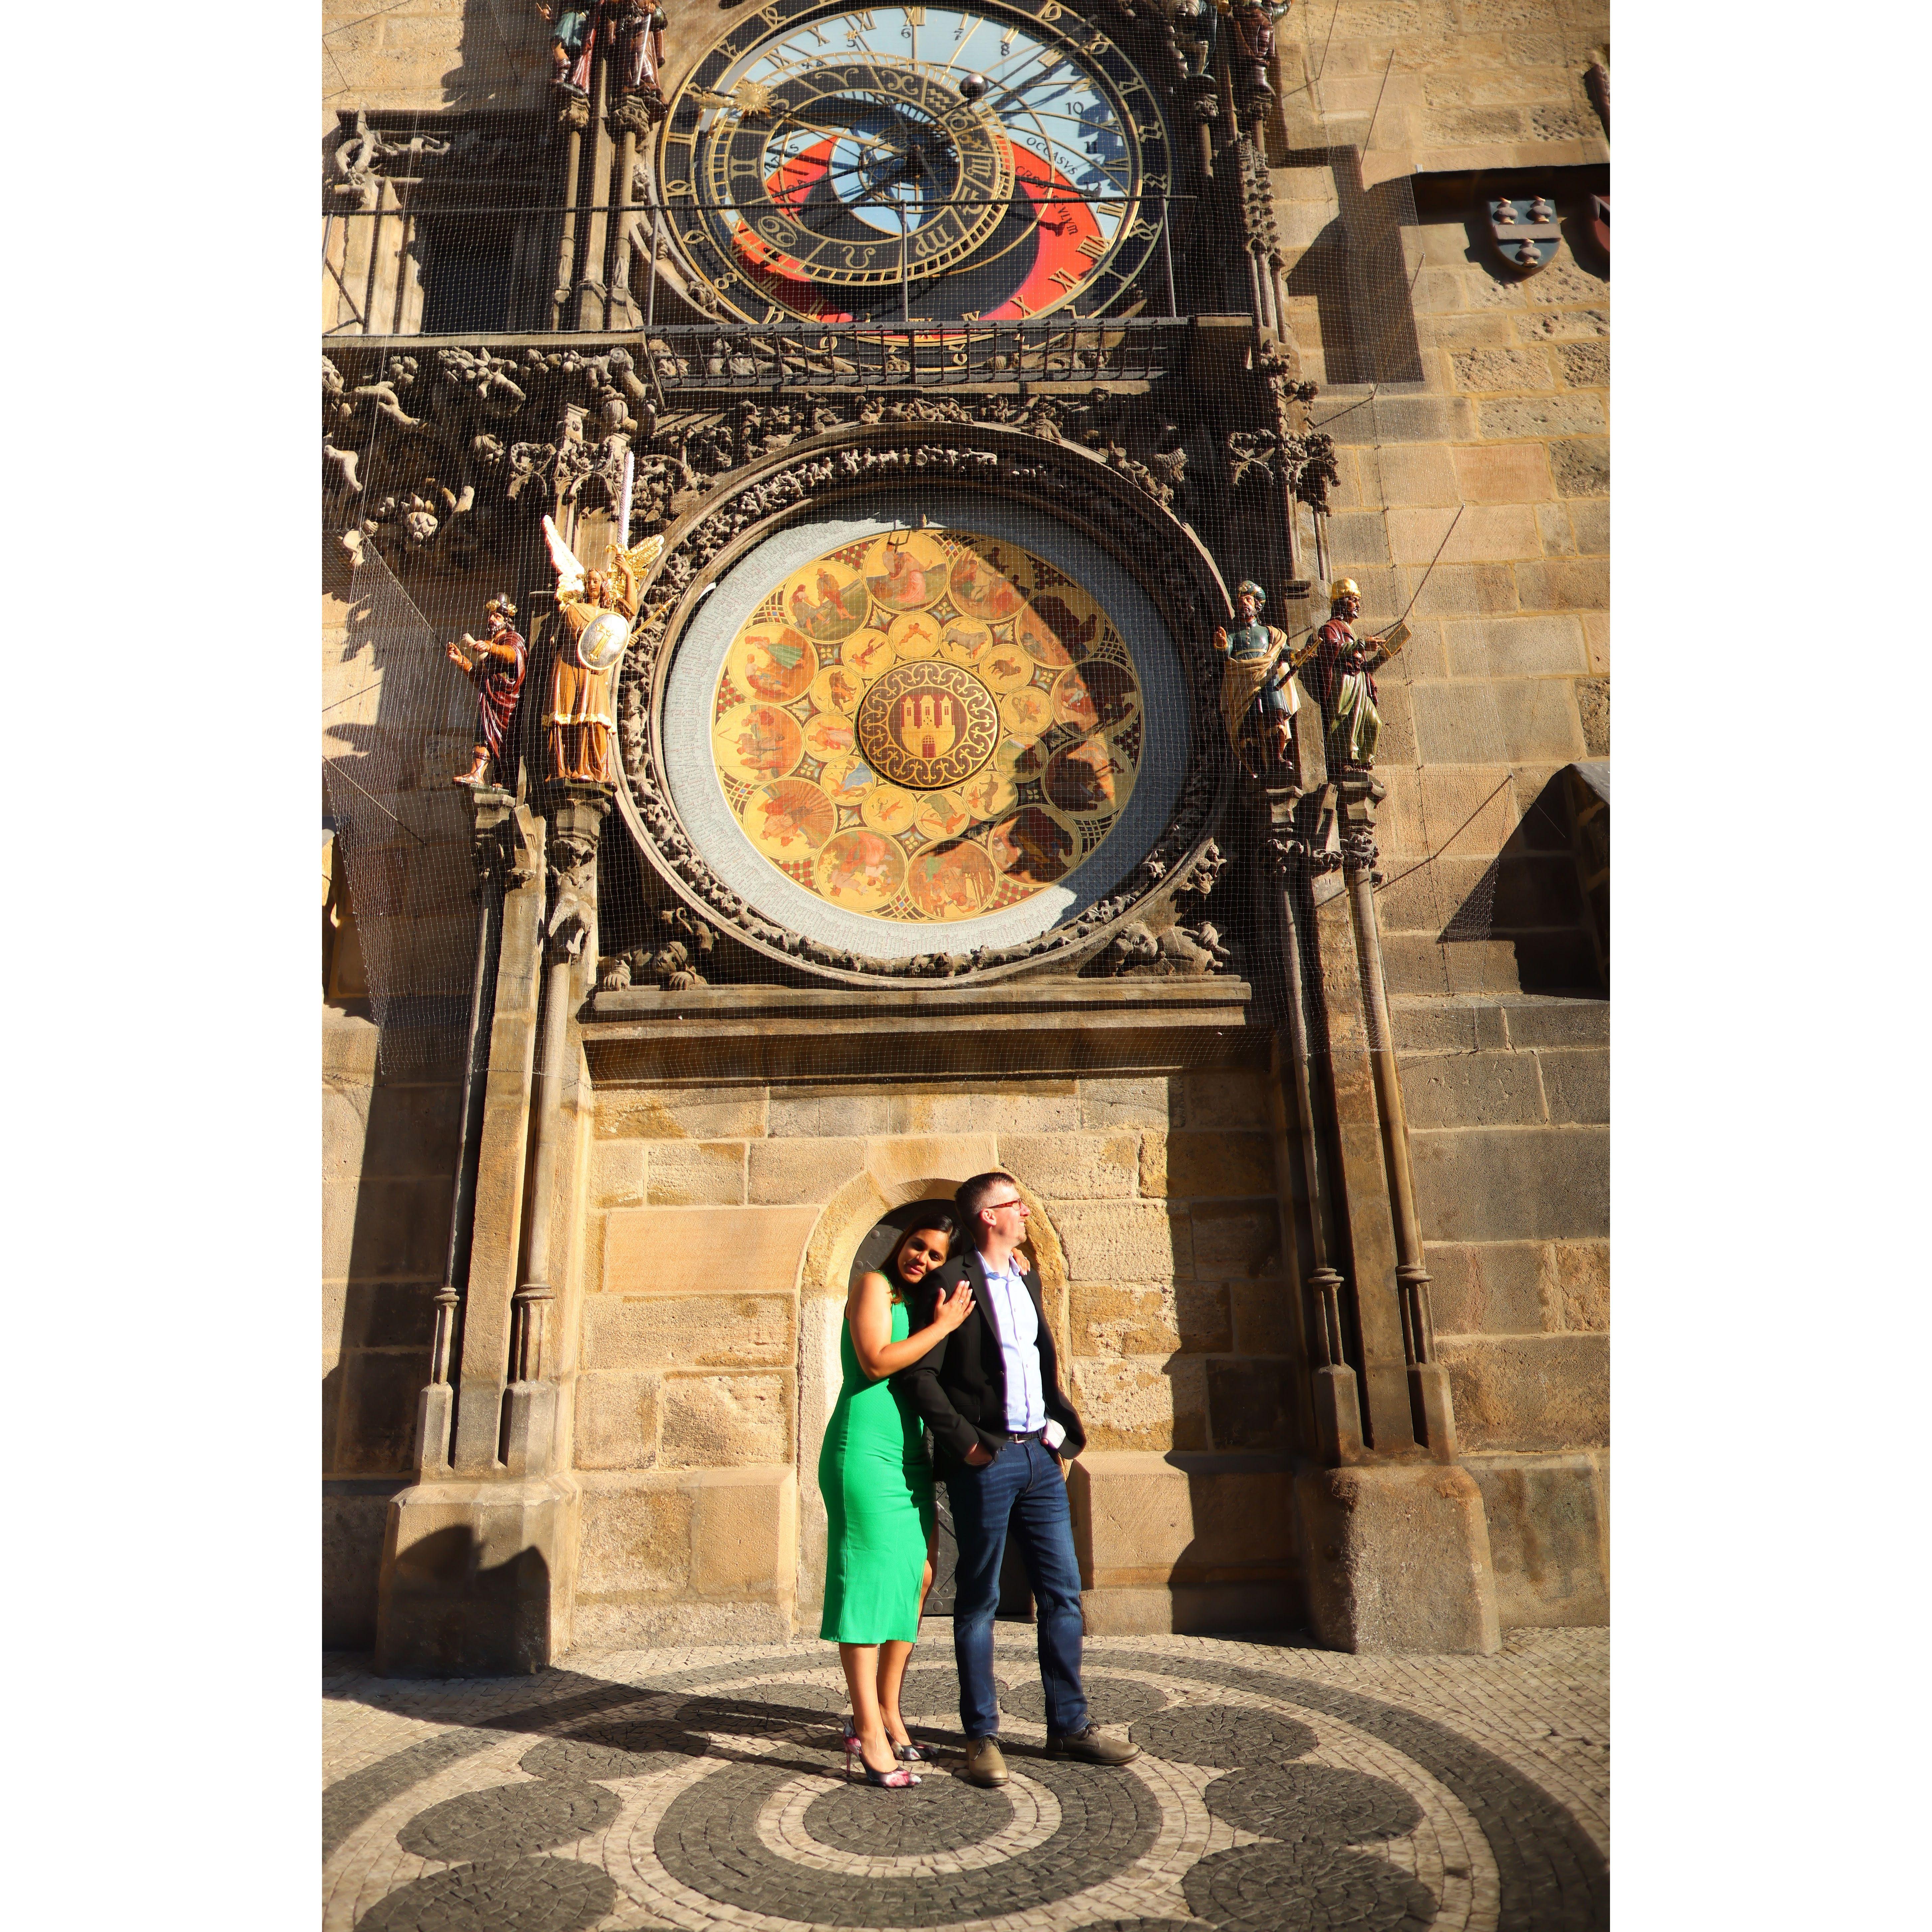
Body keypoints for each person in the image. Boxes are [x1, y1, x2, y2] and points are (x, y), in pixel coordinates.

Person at [893, 1173, 1143, 1789]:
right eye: (1014, 1204)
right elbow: (921, 1376)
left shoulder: (1027, 1275)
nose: (1025, 1210)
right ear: (987, 1216)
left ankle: (1069, 1727)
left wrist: (1060, 1433)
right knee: (976, 1599)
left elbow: (1037, 1359)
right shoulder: (953, 1282)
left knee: (1061, 1593)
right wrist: (967, 1443)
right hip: (989, 1460)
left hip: (1041, 1459)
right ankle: (981, 1734)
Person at [820, 1211, 977, 1790]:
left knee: (918, 1573)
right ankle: (866, 1729)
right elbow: (875, 1361)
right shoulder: (874, 1286)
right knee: (867, 1581)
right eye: (918, 1247)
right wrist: (942, 1327)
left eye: (937, 1255)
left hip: (909, 1453)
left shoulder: (923, 1303)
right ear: (900, 1243)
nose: (923, 1260)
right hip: (862, 1449)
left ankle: (889, 1711)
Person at [1302, 576, 1394, 774]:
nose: (1358, 605)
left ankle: (1363, 763)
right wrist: (1361, 645)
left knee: (1373, 722)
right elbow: (1330, 648)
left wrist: (1384, 655)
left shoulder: (1349, 630)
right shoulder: (1330, 627)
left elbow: (1364, 668)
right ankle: (1342, 762)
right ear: (1342, 603)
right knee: (1346, 722)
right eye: (1354, 600)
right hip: (1343, 682)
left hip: (1358, 681)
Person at [1212, 578, 1300, 769]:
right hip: (1244, 682)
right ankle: (1255, 765)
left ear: (1257, 605)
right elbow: (1226, 653)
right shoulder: (1234, 636)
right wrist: (1223, 645)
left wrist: (1296, 654)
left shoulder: (1269, 633)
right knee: (1248, 722)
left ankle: (1277, 758)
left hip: (1269, 677)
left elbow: (1282, 650)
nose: (1244, 603)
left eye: (1249, 600)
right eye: (1241, 600)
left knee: (1275, 715)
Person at [445, 594, 527, 788]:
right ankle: (477, 774)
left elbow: (512, 656)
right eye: (491, 616)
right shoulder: (493, 646)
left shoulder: (512, 638)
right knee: (483, 733)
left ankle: (503, 781)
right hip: (490, 699)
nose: (491, 619)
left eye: (497, 616)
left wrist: (490, 647)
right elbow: (482, 680)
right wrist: (462, 661)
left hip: (508, 701)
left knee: (505, 741)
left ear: (507, 621)